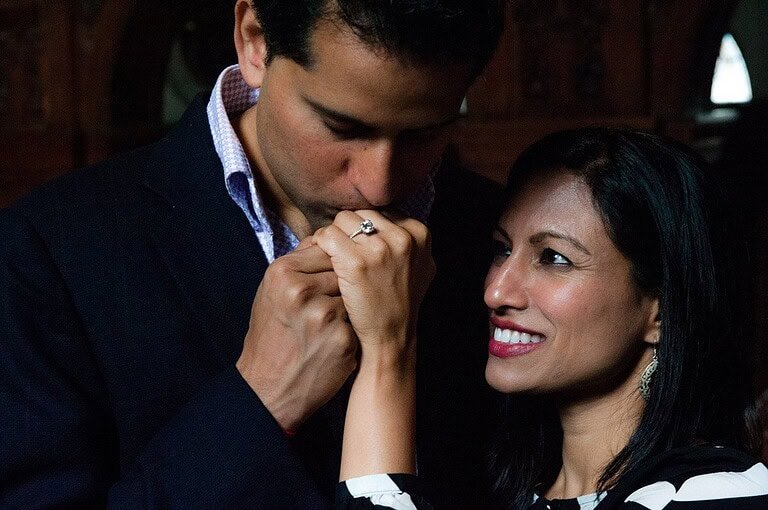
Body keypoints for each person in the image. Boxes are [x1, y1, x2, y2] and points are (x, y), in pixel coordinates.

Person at [0, 1, 505, 508]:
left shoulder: (500, 237)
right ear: (255, 40)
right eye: (342, 128)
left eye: (423, 133)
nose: (378, 183)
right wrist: (258, 399)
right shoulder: (48, 250)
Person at [324, 127, 768, 508]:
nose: (495, 291)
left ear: (662, 313)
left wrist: (387, 351)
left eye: (554, 258)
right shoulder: (509, 493)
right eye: (502, 249)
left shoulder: (718, 492)